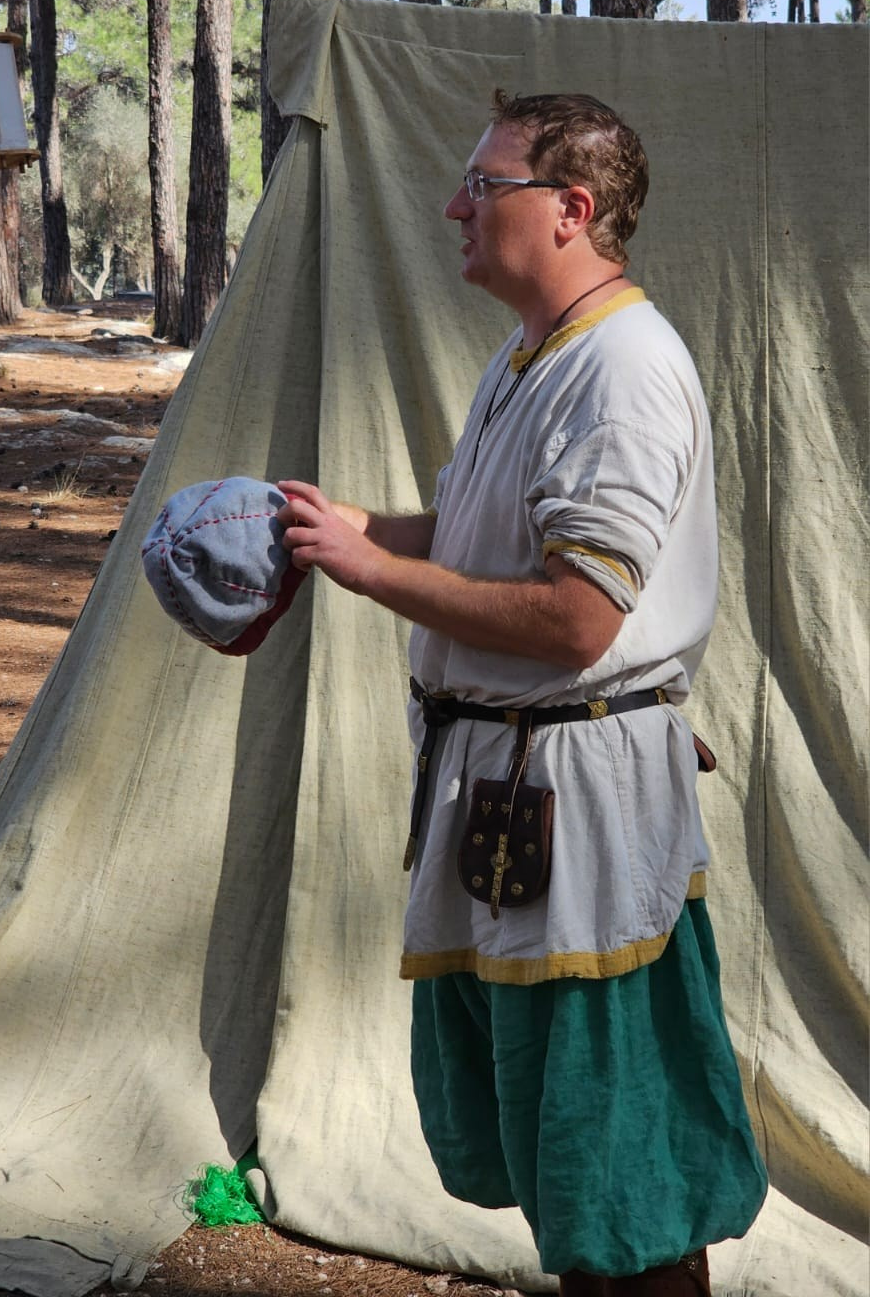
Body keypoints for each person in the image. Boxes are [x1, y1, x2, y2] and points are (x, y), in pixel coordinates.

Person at [277, 91, 767, 1296]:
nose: (454, 205)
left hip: (582, 819)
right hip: (515, 793)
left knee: (618, 1169)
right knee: (567, 1159)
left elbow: (574, 618)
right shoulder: (534, 354)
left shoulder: (624, 371)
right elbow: (483, 537)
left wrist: (374, 571)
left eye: (481, 186)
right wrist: (346, 527)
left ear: (569, 210)